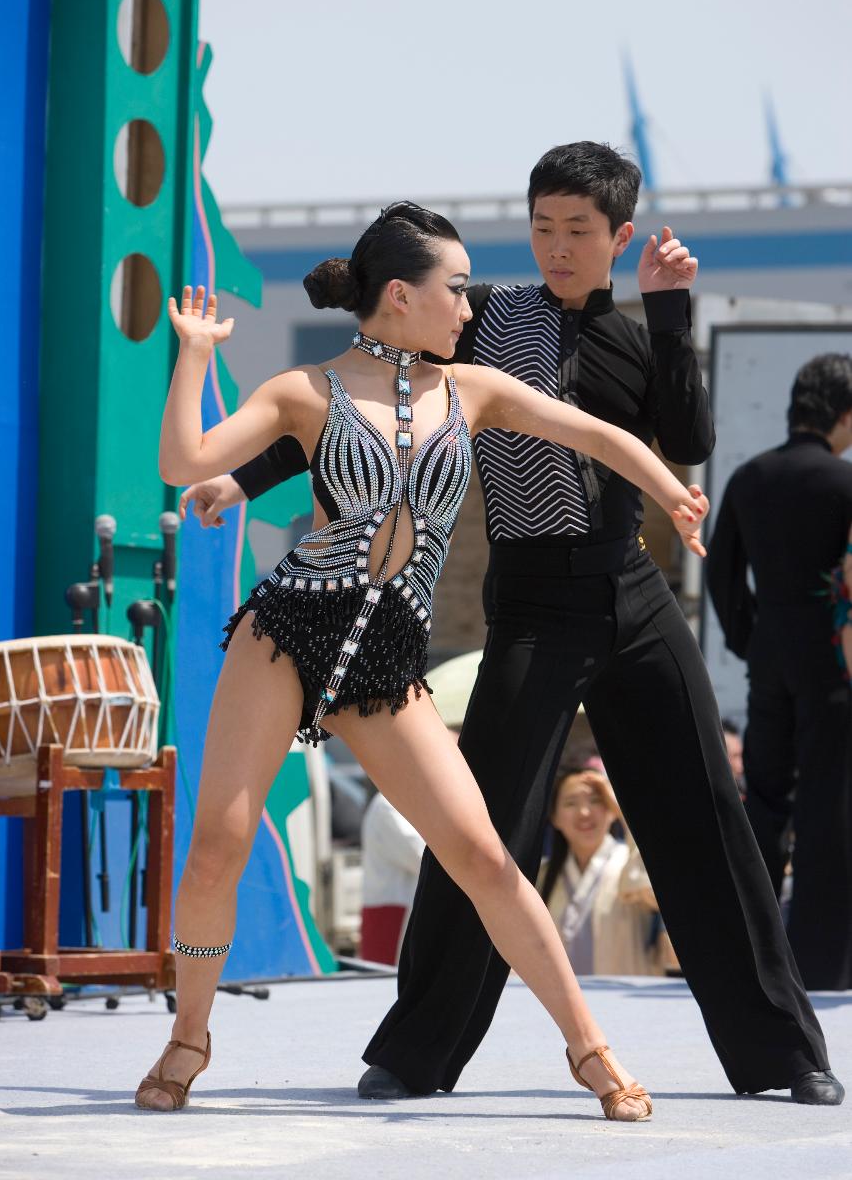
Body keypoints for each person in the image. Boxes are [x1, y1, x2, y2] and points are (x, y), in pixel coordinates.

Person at [184, 144, 842, 1106]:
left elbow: (688, 441)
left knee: (706, 810)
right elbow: (362, 418)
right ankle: (416, 1052)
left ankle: (786, 1056)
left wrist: (670, 311)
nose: (556, 247)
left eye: (578, 231)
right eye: (541, 227)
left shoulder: (634, 330)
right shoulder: (477, 315)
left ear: (618, 236)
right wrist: (239, 480)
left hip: (632, 587)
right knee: (484, 825)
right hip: (533, 599)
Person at [135, 201, 712, 1120]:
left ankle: (590, 1050)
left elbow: (595, 434)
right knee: (215, 853)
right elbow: (183, 460)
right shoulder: (304, 391)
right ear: (400, 296)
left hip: (387, 656)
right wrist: (197, 354)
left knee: (483, 855)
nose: (467, 305)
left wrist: (670, 492)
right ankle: (188, 1037)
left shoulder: (473, 390)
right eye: (454, 288)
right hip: (289, 632)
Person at [706, 353, 852, 992]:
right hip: (832, 662)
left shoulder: (750, 477)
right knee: (829, 803)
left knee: (763, 799)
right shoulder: (844, 484)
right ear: (843, 415)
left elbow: (720, 571)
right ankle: (823, 964)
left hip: (769, 655)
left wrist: (749, 640)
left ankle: (753, 960)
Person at [539, 763, 663, 976]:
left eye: (596, 800)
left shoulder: (630, 863)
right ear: (554, 817)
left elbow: (656, 889)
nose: (584, 812)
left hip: (626, 1004)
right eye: (570, 803)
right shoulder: (541, 875)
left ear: (612, 810)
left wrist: (621, 807)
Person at [360, 792, 425, 965]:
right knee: (388, 983)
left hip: (399, 910)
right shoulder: (388, 805)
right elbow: (421, 856)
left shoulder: (402, 802)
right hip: (393, 913)